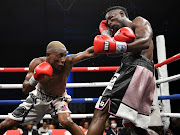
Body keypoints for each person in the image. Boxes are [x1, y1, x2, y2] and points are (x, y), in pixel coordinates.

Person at [0, 41, 97, 135]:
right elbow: (25, 89)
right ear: (49, 54)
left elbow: (88, 53)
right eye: (60, 55)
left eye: (64, 55)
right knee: (6, 124)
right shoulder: (37, 63)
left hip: (58, 99)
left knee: (66, 121)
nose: (63, 59)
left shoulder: (68, 61)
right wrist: (35, 77)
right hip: (38, 98)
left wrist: (107, 44)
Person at [87, 6, 157, 135]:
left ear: (121, 14)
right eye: (106, 21)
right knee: (135, 125)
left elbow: (145, 42)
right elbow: (111, 53)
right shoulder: (122, 35)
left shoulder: (138, 21)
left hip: (134, 68)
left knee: (102, 109)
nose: (109, 23)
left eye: (111, 18)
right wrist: (107, 35)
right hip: (144, 72)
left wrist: (117, 45)